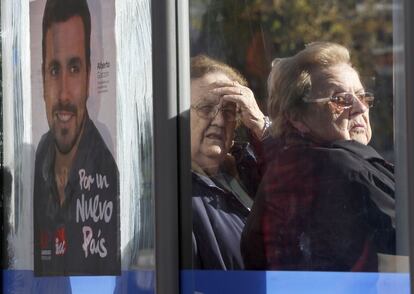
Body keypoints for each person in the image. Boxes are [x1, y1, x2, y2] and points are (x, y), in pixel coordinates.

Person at [241, 42, 396, 271]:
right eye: (341, 99)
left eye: (362, 97)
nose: (360, 108)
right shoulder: (339, 169)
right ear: (296, 117)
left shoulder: (292, 166)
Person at [33, 0, 120, 276]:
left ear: (89, 77)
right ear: (43, 79)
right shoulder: (41, 156)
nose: (63, 94)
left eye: (74, 68)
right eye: (54, 70)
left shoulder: (106, 168)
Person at [190, 55, 269, 269]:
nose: (219, 120)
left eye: (228, 111)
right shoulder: (174, 197)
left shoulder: (252, 173)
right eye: (206, 109)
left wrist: (263, 130)